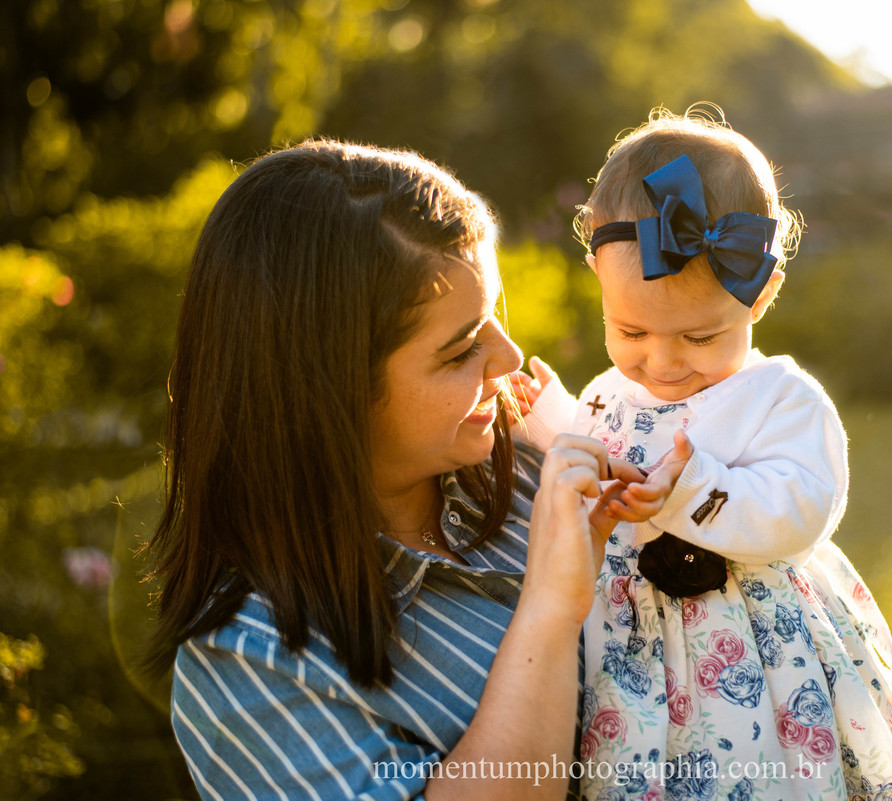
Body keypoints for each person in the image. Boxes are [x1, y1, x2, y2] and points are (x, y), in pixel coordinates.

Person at [142, 139, 644, 800]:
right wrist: (550, 606)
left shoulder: (532, 460)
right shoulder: (249, 664)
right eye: (459, 350)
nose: (508, 356)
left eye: (493, 315)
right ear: (328, 390)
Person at [510, 109, 892, 800]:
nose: (663, 362)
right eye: (631, 331)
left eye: (701, 337)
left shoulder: (780, 399)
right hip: (628, 650)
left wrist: (689, 490)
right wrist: (551, 420)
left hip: (744, 656)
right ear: (597, 276)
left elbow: (799, 509)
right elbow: (600, 458)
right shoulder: (608, 391)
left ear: (761, 294)